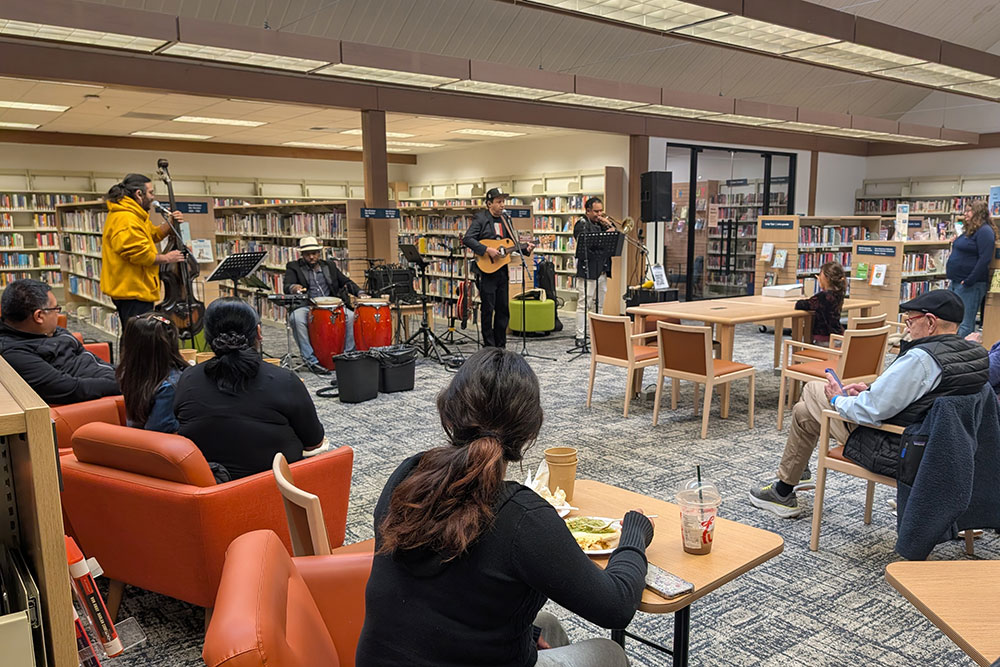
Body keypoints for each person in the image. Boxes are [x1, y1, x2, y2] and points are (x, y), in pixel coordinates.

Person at [356, 348, 652, 667]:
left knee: (546, 624)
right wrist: (633, 535)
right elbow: (617, 606)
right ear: (529, 432)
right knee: (609, 653)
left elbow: (452, 594)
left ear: (448, 413)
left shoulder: (406, 477)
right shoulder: (521, 517)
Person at [750, 290, 989, 518]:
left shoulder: (922, 359)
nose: (907, 327)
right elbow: (923, 398)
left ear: (930, 322)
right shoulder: (972, 353)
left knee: (813, 389)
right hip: (944, 447)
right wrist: (871, 391)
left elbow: (870, 411)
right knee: (805, 413)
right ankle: (786, 486)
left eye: (910, 321)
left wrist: (837, 398)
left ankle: (789, 483)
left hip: (892, 444)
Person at [174, 298, 324, 480]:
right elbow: (313, 443)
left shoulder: (188, 379)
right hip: (276, 492)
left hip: (208, 493)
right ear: (259, 332)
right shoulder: (285, 380)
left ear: (208, 336)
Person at [0, 279, 118, 404]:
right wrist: (125, 386)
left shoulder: (50, 331)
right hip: (102, 398)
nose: (58, 314)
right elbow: (68, 387)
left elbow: (89, 358)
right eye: (56, 308)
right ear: (39, 316)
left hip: (113, 378)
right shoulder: (15, 353)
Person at [100, 173, 186, 326]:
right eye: (151, 192)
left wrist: (170, 224)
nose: (153, 197)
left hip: (136, 288)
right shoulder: (126, 218)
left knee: (134, 335)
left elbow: (151, 235)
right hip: (132, 291)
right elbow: (139, 254)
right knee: (136, 337)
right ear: (139, 194)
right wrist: (167, 258)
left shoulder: (135, 214)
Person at [462, 188, 535, 348]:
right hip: (486, 271)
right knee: (488, 309)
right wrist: (486, 250)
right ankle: (489, 346)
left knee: (503, 308)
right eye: (499, 202)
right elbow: (468, 239)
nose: (502, 205)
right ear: (489, 204)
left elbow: (510, 244)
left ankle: (501, 346)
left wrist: (525, 249)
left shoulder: (506, 220)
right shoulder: (481, 219)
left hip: (502, 270)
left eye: (503, 201)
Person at [284, 236, 360, 375]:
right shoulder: (293, 267)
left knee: (351, 317)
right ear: (302, 255)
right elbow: (288, 285)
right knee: (296, 318)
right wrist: (294, 288)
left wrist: (360, 292)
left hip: (333, 305)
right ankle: (311, 361)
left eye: (314, 253)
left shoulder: (329, 266)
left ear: (319, 253)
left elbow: (345, 281)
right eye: (308, 254)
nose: (312, 257)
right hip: (308, 306)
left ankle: (347, 355)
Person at [116, 312, 188, 432]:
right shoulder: (169, 385)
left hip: (135, 439)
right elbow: (160, 427)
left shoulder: (128, 373)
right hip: (159, 445)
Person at [946, 200, 997, 337]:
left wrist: (969, 280)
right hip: (957, 281)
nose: (965, 214)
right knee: (952, 318)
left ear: (978, 213)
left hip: (970, 284)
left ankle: (960, 354)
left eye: (969, 211)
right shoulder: (970, 230)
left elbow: (984, 259)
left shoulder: (985, 232)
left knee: (965, 323)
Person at [573, 196, 614, 345]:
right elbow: (587, 245)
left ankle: (597, 334)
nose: (599, 214)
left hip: (602, 269)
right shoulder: (581, 225)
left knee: (600, 304)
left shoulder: (602, 224)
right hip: (588, 271)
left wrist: (610, 227)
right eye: (596, 211)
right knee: (585, 303)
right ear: (588, 211)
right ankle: (580, 336)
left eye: (601, 210)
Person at [795, 261, 846, 344]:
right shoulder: (838, 293)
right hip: (838, 336)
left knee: (801, 347)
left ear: (826, 278)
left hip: (825, 340)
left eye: (820, 274)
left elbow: (801, 304)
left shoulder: (822, 296)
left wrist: (821, 285)